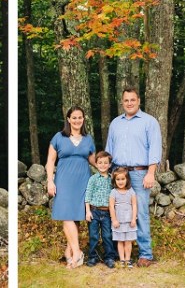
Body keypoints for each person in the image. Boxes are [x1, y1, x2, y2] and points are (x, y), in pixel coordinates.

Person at [105, 86, 161, 267]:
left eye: (132, 100)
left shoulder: (149, 122)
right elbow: (109, 150)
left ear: (139, 101)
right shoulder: (115, 123)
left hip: (140, 173)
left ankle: (145, 254)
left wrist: (151, 173)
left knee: (141, 213)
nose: (129, 103)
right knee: (118, 212)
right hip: (118, 173)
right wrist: (109, 174)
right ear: (122, 102)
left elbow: (154, 149)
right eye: (126, 100)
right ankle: (117, 252)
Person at [46, 105, 96, 269]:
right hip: (64, 181)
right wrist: (50, 181)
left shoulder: (88, 139)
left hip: (83, 180)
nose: (77, 120)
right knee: (66, 215)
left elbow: (94, 161)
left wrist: (108, 169)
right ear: (68, 119)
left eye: (80, 117)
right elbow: (50, 162)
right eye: (74, 117)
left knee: (76, 217)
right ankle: (78, 253)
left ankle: (69, 252)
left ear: (83, 119)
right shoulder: (58, 137)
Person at [84, 151, 117, 268]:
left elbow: (115, 195)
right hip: (94, 211)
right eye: (100, 163)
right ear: (96, 164)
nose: (103, 165)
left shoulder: (112, 179)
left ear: (109, 165)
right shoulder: (93, 179)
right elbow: (88, 195)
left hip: (107, 212)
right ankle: (93, 257)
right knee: (93, 235)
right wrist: (87, 211)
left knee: (107, 235)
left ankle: (109, 257)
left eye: (105, 163)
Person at [109, 167, 137, 268]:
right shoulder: (114, 192)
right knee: (120, 241)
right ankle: (121, 259)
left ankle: (128, 259)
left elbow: (134, 205)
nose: (120, 182)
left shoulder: (131, 191)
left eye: (123, 179)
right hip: (118, 222)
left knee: (128, 241)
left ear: (127, 179)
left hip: (129, 221)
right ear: (114, 180)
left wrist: (133, 219)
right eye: (118, 179)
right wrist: (114, 220)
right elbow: (111, 207)